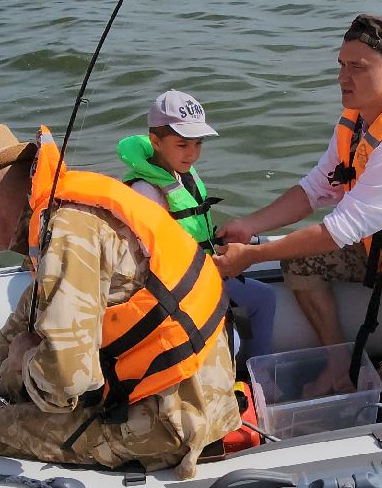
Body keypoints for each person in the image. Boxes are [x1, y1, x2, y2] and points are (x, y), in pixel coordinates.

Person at [0, 123, 240, 479]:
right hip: (205, 388)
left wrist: (24, 359)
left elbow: (63, 384)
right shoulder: (69, 205)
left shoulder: (65, 236)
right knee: (24, 350)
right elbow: (29, 310)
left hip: (173, 421)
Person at [213, 15, 382, 389]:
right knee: (300, 261)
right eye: (341, 65)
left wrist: (251, 256)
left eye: (358, 67)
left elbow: (337, 231)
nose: (343, 78)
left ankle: (375, 387)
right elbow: (315, 189)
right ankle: (338, 363)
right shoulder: (359, 118)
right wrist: (249, 226)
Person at [117, 89, 279, 367]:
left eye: (198, 144)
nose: (192, 154)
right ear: (155, 141)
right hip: (174, 290)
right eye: (182, 144)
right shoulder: (146, 191)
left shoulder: (180, 172)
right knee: (231, 338)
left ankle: (256, 377)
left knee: (264, 298)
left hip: (203, 273)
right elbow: (148, 260)